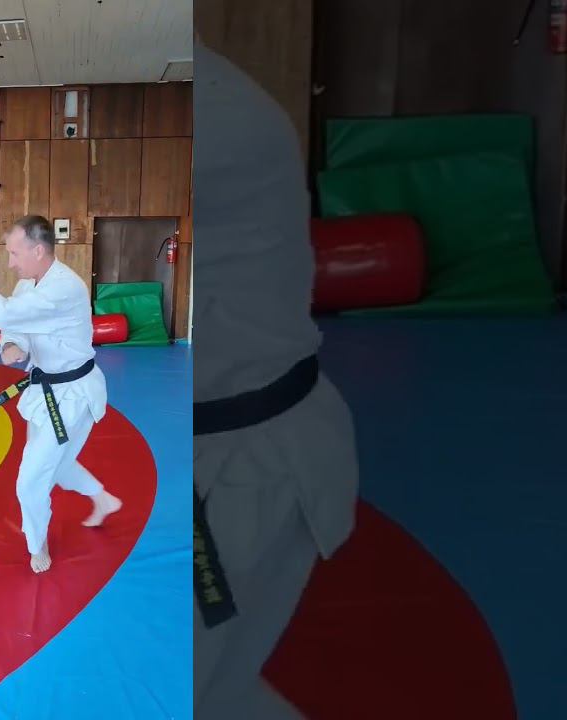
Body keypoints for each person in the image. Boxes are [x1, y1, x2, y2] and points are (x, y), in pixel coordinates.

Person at [191, 26, 360, 719]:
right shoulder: (204, 92)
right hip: (228, 451)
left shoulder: (211, 113)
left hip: (241, 469)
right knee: (212, 692)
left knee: (186, 692)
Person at [0, 216, 122, 574]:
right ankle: (102, 499)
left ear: (38, 250)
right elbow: (15, 323)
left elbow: (6, 312)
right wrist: (12, 344)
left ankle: (37, 544)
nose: (10, 263)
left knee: (30, 481)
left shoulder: (64, 288)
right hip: (44, 390)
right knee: (58, 464)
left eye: (14, 253)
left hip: (73, 396)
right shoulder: (28, 284)